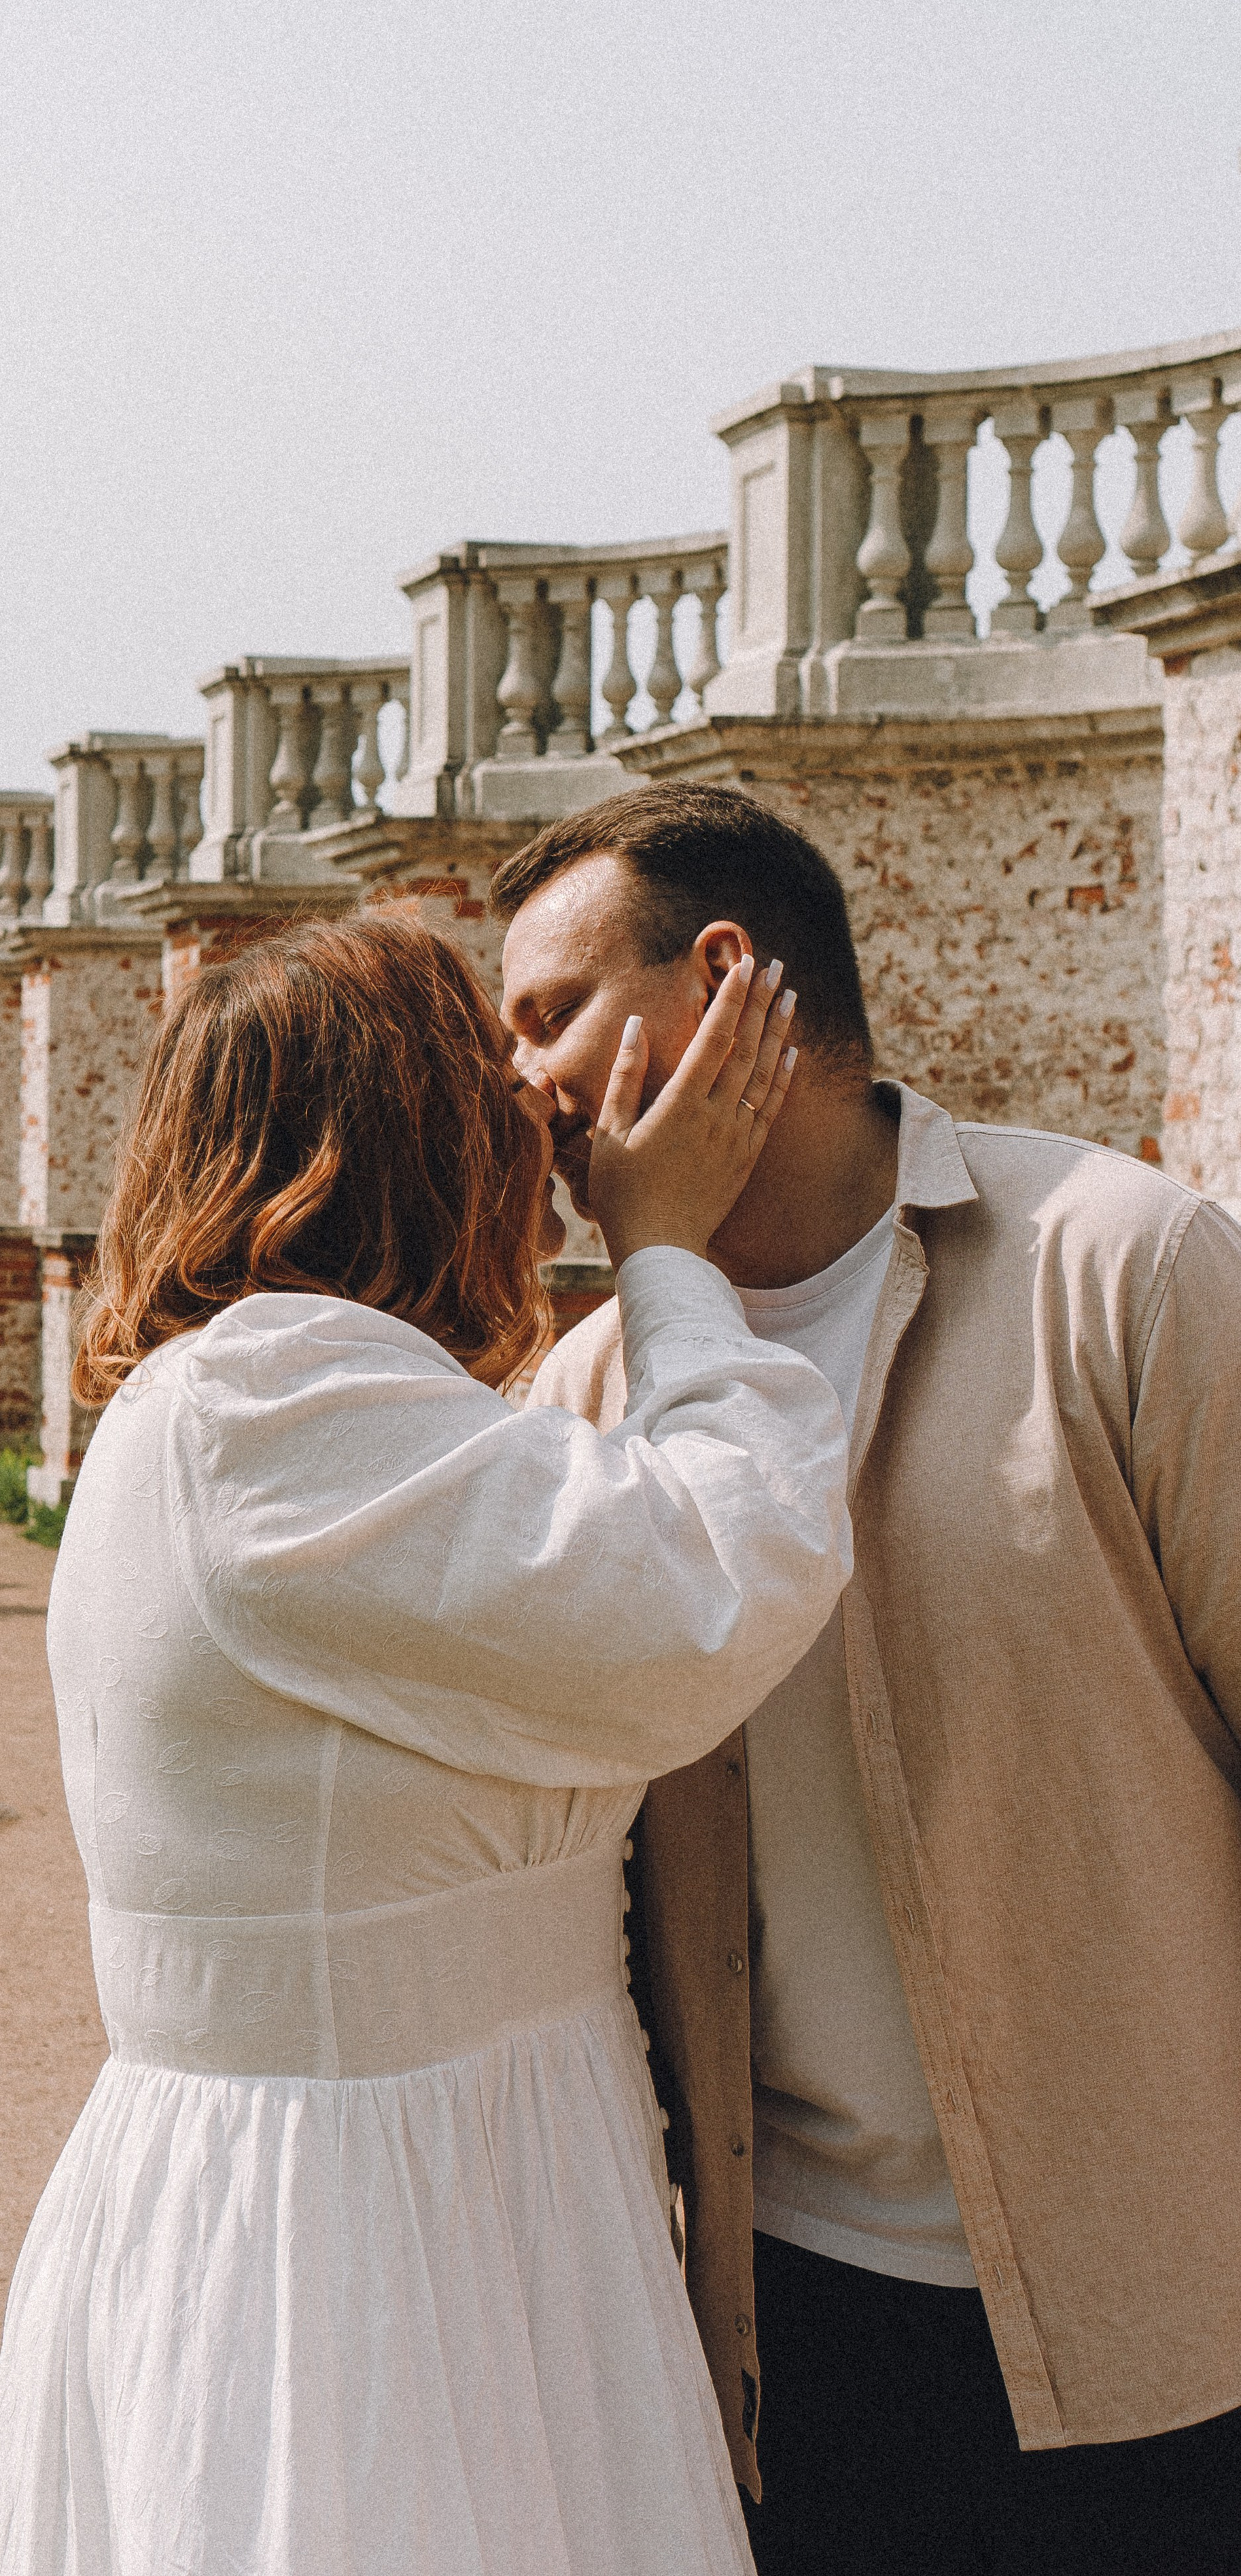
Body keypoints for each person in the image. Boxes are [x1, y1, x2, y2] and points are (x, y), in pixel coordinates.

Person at [0, 911, 852, 2576]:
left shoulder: (276, 1404)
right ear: (404, 1140)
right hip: (363, 2262)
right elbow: (712, 1578)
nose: (539, 1118)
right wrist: (662, 1256)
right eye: (493, 1081)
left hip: (426, 2193)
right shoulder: (278, 1409)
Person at [495, 782, 1241, 2576]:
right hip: (783, 2334)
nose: (520, 1082)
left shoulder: (1122, 1268)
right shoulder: (580, 1398)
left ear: (729, 978)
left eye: (550, 1015)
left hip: (1171, 2310)